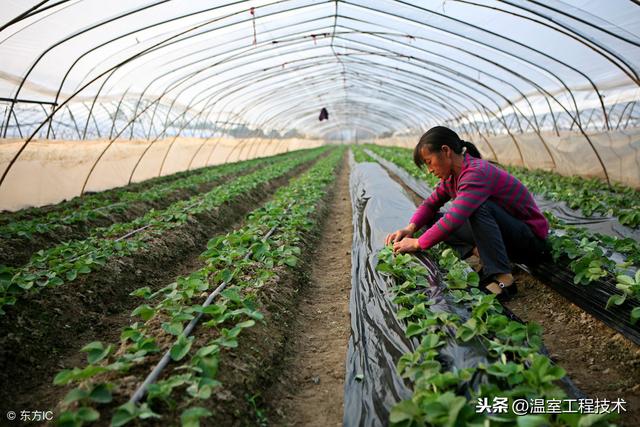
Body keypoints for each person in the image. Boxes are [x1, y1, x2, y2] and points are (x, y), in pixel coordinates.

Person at [384, 126, 550, 300]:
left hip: (531, 242)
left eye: (429, 162)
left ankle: (504, 280)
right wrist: (410, 228)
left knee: (477, 208)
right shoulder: (453, 177)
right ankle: (482, 253)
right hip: (508, 236)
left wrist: (418, 243)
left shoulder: (476, 173)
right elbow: (429, 204)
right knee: (431, 218)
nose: (430, 170)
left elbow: (455, 218)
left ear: (446, 151)